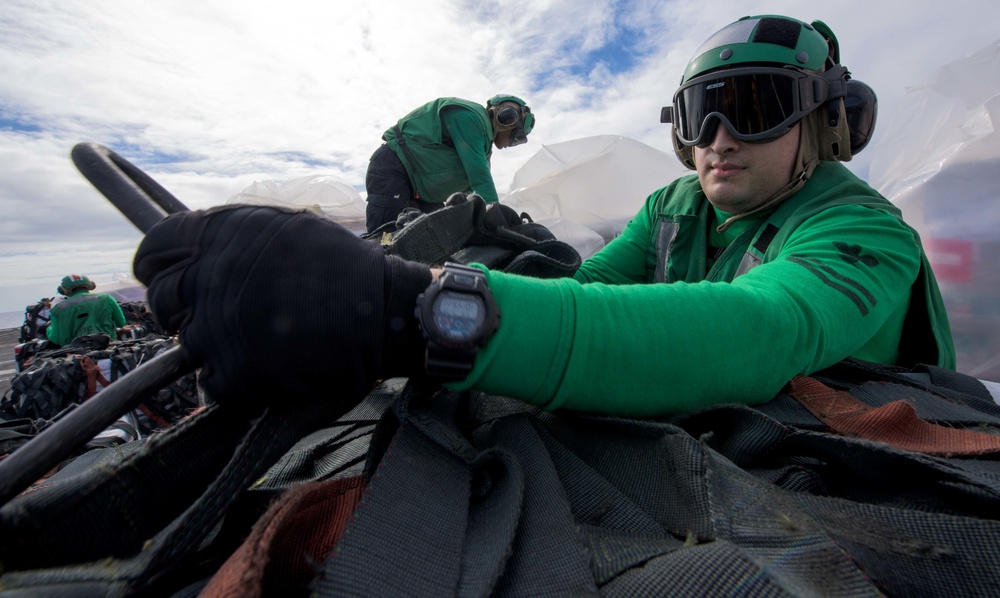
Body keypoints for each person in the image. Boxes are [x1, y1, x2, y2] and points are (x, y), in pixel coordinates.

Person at [133, 15, 955, 418]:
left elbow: (763, 328)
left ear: (827, 123)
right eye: (698, 115)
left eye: (755, 108)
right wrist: (431, 278)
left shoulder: (863, 229)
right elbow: (593, 286)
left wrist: (409, 315)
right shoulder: (674, 208)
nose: (718, 140)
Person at [364, 95, 535, 233]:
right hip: (394, 168)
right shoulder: (471, 117)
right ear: (506, 119)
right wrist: (497, 214)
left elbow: (473, 192)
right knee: (385, 241)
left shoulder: (483, 146)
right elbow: (479, 177)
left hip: (422, 191)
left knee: (430, 241)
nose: (511, 143)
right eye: (516, 136)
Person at [46, 274, 127, 347]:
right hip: (110, 346)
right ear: (91, 285)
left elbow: (56, 339)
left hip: (75, 354)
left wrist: (48, 329)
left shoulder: (57, 309)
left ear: (62, 290)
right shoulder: (107, 298)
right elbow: (121, 323)